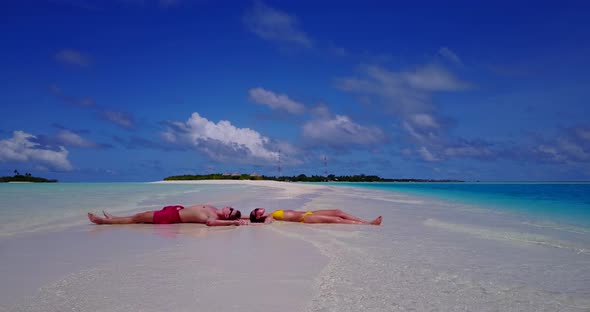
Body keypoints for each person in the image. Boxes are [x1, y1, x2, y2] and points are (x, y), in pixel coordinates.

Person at [88, 204, 247, 226]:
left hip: (171, 218)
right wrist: (245, 218)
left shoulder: (214, 218)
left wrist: (232, 223)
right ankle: (114, 217)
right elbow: (243, 216)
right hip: (173, 210)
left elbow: (210, 224)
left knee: (137, 219)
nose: (228, 210)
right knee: (140, 214)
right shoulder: (214, 208)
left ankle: (103, 221)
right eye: (231, 209)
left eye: (230, 213)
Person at [249, 208, 382, 225]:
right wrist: (253, 223)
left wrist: (243, 218)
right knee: (337, 220)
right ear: (258, 216)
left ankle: (363, 221)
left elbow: (247, 217)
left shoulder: (271, 212)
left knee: (337, 212)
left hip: (309, 212)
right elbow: (266, 224)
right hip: (305, 219)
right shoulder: (269, 217)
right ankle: (369, 224)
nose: (259, 209)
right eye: (257, 211)